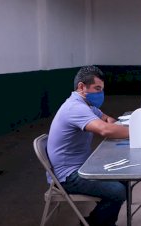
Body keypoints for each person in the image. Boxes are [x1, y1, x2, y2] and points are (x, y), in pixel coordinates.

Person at [47, 65, 129, 226]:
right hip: (67, 176)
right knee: (118, 191)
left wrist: (117, 126)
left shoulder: (86, 106)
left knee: (125, 177)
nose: (100, 94)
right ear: (81, 87)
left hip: (81, 166)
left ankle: (95, 220)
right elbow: (105, 130)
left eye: (102, 89)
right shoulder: (75, 108)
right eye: (97, 88)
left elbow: (107, 120)